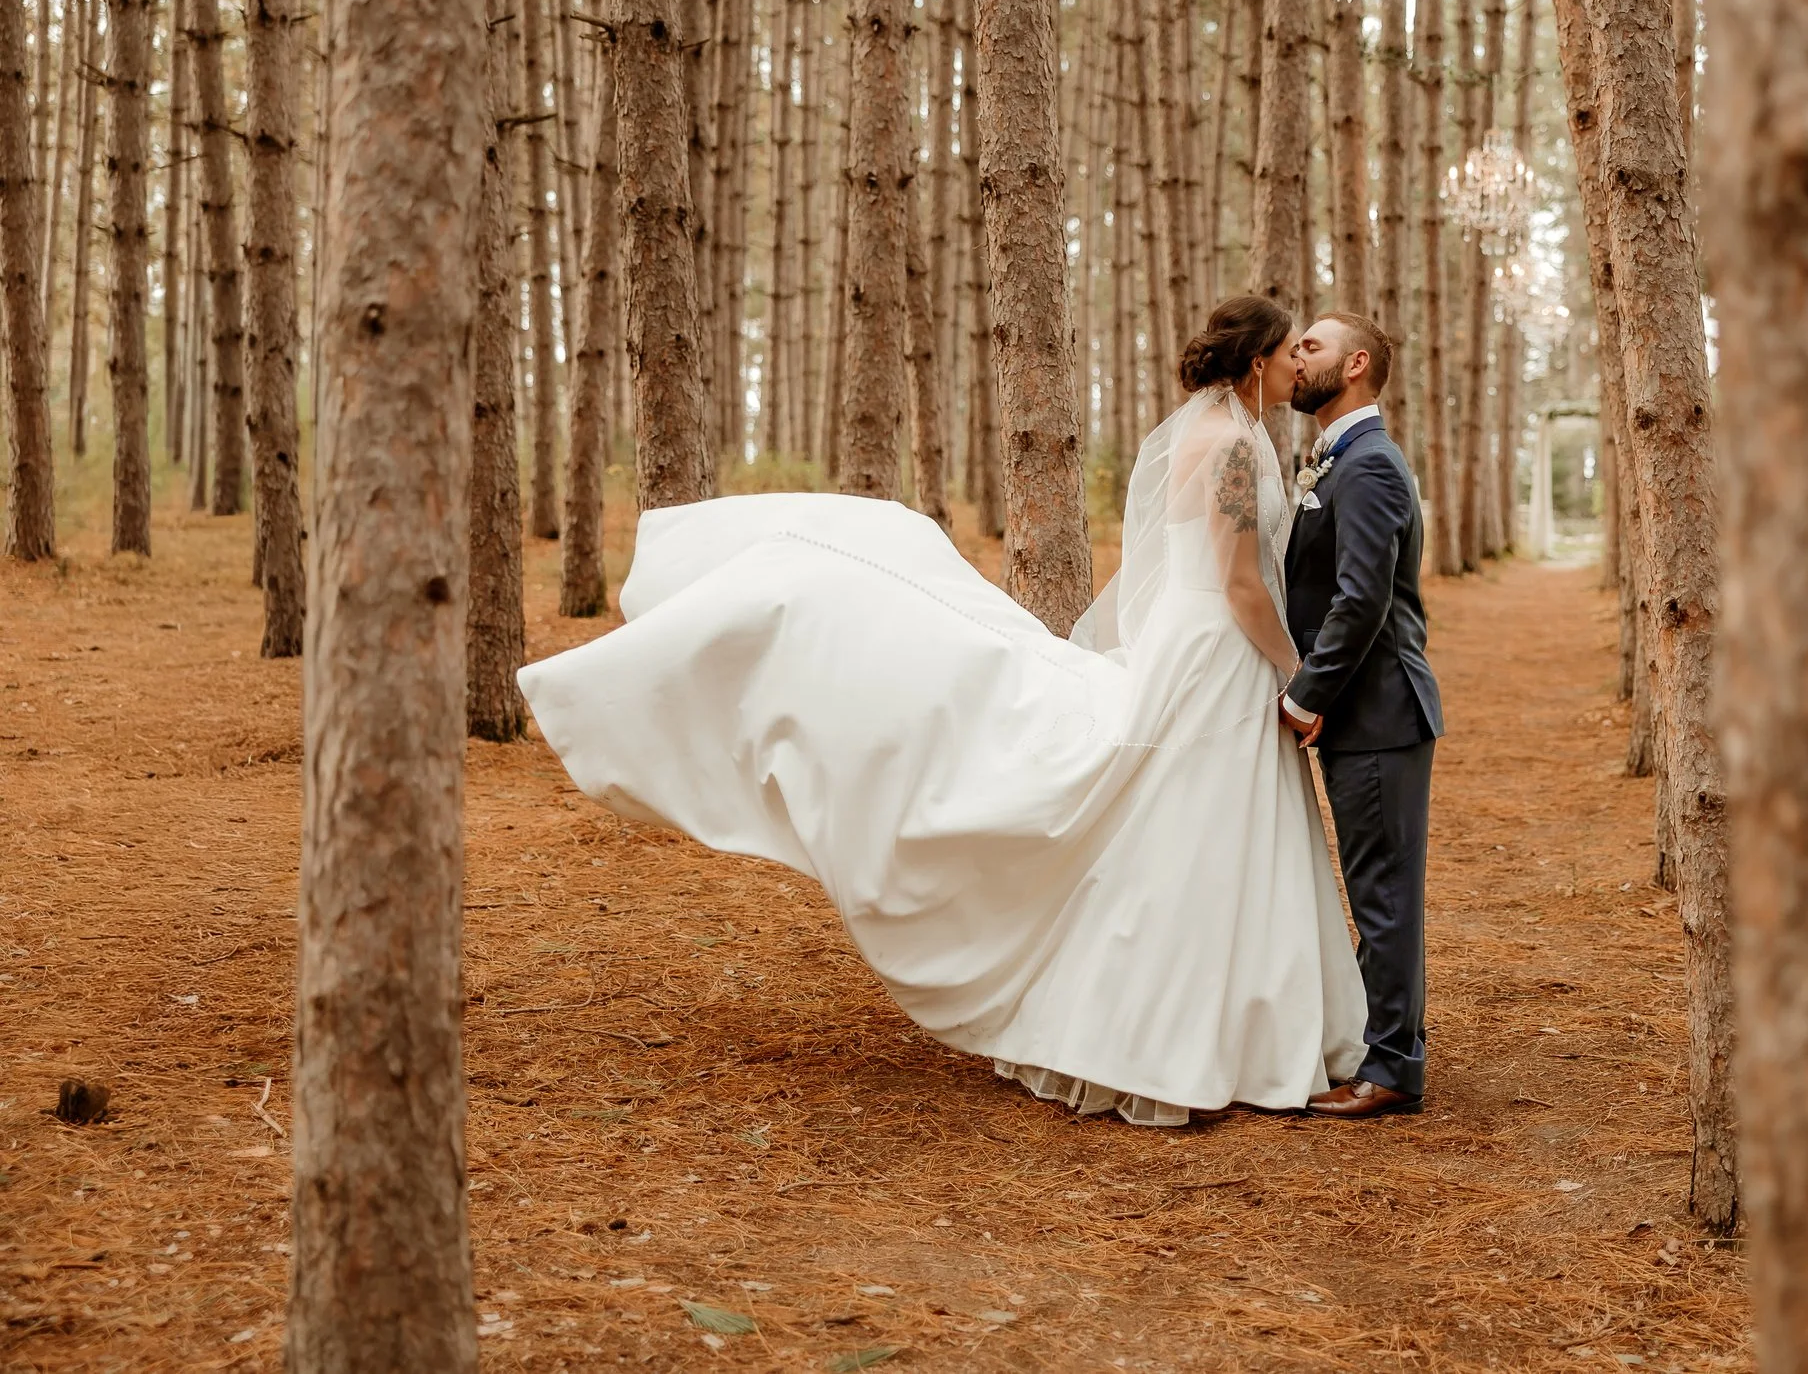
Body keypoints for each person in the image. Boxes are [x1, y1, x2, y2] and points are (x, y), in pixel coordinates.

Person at [517, 297, 1367, 1125]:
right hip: (1220, 648)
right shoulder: (1227, 449)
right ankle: (1199, 1030)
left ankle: (1226, 1021)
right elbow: (1240, 582)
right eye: (1293, 350)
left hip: (1203, 641)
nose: (1300, 364)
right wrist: (1297, 674)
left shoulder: (1227, 434)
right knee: (1198, 829)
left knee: (1203, 829)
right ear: (1257, 361)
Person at [1278, 313, 1445, 1119]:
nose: (1294, 356)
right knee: (1376, 885)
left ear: (1356, 364)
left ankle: (1393, 1070)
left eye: (1310, 345)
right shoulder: (1338, 459)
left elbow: (1363, 601)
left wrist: (1308, 692)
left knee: (1383, 890)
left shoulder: (1371, 465)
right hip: (1366, 712)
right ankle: (1385, 1045)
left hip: (1378, 712)